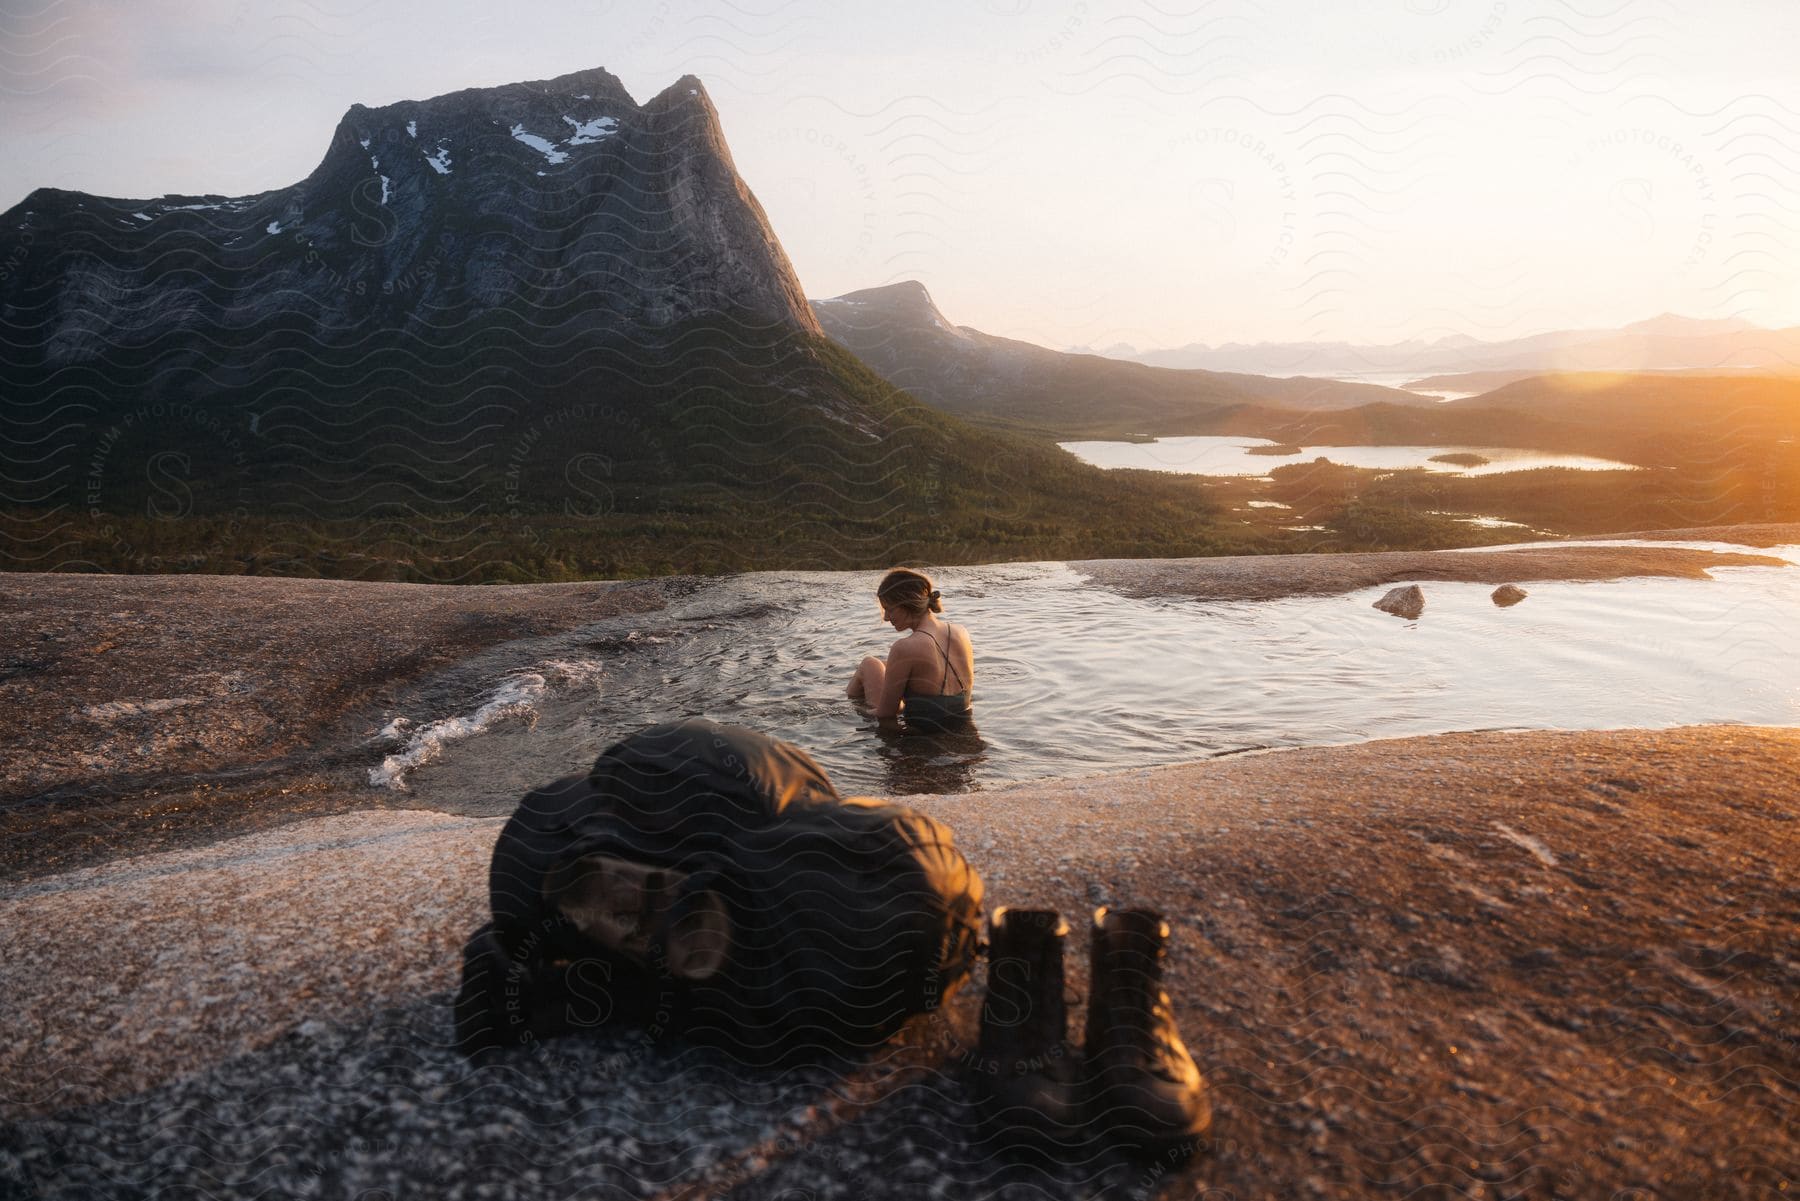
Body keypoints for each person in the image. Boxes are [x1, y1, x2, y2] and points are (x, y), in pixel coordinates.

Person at [847, 568, 974, 732]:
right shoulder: (961, 632)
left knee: (868, 664)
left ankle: (844, 702)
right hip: (962, 732)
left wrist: (849, 713)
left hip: (922, 743)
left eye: (889, 609)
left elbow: (885, 714)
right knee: (873, 664)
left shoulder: (905, 647)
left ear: (907, 604)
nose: (885, 618)